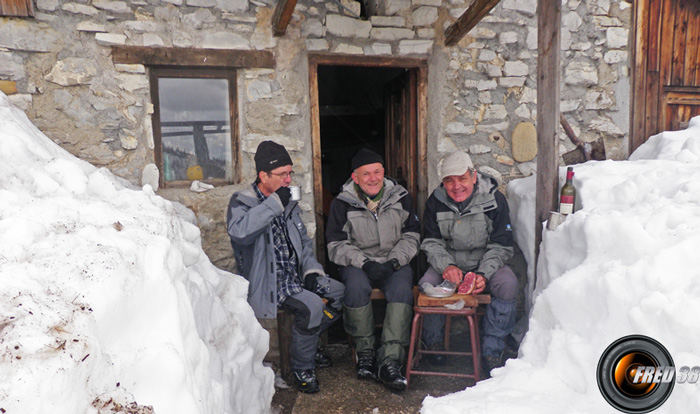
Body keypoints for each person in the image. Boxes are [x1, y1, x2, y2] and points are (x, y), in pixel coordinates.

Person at [227, 140, 344, 394]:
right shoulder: (242, 202)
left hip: (296, 277)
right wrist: (273, 204)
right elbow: (239, 233)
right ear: (263, 175)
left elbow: (304, 243)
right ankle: (302, 368)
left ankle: (309, 345)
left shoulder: (289, 202)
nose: (288, 180)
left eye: (290, 173)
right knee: (312, 306)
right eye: (282, 174)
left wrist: (312, 271)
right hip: (270, 283)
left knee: (339, 294)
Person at [325, 148, 420, 391]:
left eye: (377, 172)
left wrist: (395, 262)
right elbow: (335, 245)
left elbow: (412, 236)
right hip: (359, 262)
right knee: (355, 287)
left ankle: (390, 360)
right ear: (355, 177)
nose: (373, 178)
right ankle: (365, 352)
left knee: (401, 290)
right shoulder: (342, 203)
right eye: (366, 174)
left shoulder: (401, 197)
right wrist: (364, 263)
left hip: (393, 260)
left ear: (383, 172)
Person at [419, 151, 518, 376]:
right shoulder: (436, 201)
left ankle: (492, 350)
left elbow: (502, 244)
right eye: (449, 181)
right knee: (427, 284)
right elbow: (431, 242)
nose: (456, 186)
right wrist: (446, 266)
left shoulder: (495, 200)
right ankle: (433, 342)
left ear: (473, 176)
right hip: (449, 262)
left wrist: (484, 273)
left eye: (462, 179)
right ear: (443, 182)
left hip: (486, 261)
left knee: (508, 285)